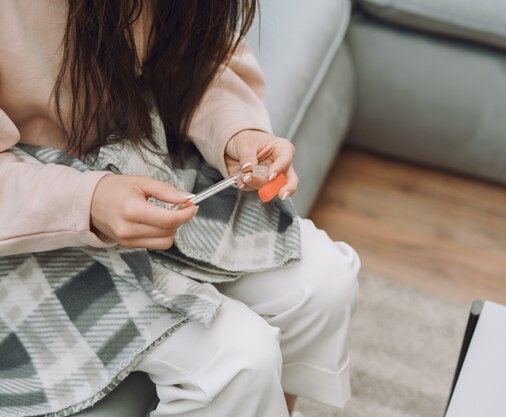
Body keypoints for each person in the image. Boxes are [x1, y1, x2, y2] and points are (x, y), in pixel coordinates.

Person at [0, 1, 360, 417]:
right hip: (28, 216)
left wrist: (237, 131)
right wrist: (90, 200)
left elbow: (197, 57)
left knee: (325, 282)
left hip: (137, 162)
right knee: (240, 359)